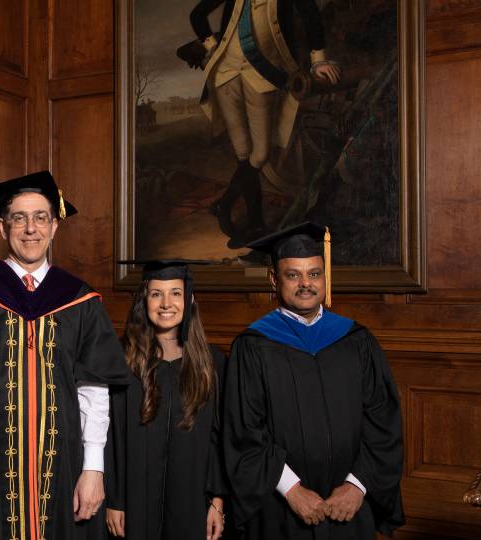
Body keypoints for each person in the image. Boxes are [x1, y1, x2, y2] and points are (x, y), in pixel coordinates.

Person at [0, 171, 130, 539]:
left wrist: (93, 469)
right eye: (19, 218)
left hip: (63, 465)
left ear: (54, 227)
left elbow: (94, 391)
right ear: (2, 227)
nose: (31, 229)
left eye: (41, 217)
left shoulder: (80, 299)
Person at [223, 222, 404, 539]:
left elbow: (383, 421)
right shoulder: (252, 346)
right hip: (281, 508)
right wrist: (292, 489)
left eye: (314, 273)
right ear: (274, 280)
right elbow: (244, 432)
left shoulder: (356, 340)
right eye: (293, 275)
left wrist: (357, 485)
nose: (305, 283)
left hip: (348, 506)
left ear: (325, 277)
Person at [185, 0, 342, 248]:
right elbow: (197, 15)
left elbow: (310, 13)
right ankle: (256, 225)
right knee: (242, 153)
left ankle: (225, 204)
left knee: (260, 154)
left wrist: (318, 60)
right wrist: (212, 47)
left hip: (264, 74)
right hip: (226, 74)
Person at [104, 260, 229, 540]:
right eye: (156, 294)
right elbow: (111, 437)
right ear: (144, 301)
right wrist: (115, 499)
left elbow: (218, 439)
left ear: (189, 300)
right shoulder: (123, 362)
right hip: (133, 503)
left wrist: (216, 501)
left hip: (194, 501)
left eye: (175, 293)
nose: (166, 303)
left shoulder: (212, 363)